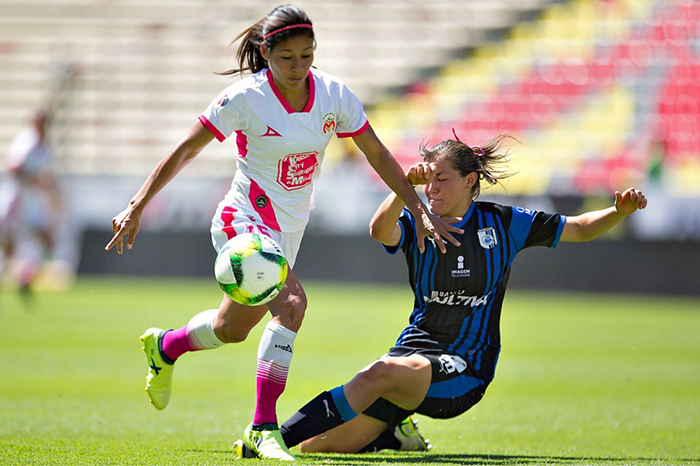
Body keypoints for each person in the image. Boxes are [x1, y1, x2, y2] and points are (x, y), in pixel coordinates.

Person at [104, 4, 460, 462]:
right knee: (292, 306)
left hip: (289, 230)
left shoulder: (333, 94)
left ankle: (165, 346)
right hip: (242, 219)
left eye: (307, 55)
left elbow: (376, 153)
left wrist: (418, 208)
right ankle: (262, 428)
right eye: (287, 57)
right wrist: (137, 205)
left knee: (231, 329)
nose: (298, 66)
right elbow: (185, 149)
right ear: (265, 53)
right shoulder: (245, 98)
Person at [259, 132, 648, 457]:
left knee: (378, 373)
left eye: (441, 179)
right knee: (315, 448)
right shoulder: (416, 220)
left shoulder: (503, 223)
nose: (431, 189)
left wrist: (618, 212)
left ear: (469, 180)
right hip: (411, 352)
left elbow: (578, 227)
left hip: (466, 368)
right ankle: (393, 434)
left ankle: (268, 436)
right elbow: (379, 231)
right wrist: (404, 188)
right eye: (428, 180)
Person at [0, 109, 61, 301]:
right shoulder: (27, 141)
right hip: (17, 199)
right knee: (9, 243)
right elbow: (13, 167)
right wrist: (34, 179)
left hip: (31, 201)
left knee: (45, 240)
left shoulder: (44, 146)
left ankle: (25, 276)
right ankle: (19, 275)